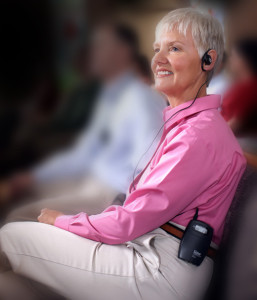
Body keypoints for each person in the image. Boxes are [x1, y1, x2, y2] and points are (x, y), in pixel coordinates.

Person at [0, 8, 246, 300]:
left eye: (175, 48)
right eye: (157, 49)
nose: (158, 60)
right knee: (15, 285)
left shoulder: (196, 135)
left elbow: (129, 221)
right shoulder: (187, 125)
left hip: (159, 270)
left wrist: (63, 221)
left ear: (208, 60)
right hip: (148, 250)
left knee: (11, 234)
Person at [0, 22, 166, 220]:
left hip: (113, 193)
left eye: (100, 45)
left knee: (16, 217)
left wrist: (121, 212)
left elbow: (151, 165)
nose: (92, 51)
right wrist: (33, 177)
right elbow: (83, 154)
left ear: (123, 51)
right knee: (21, 194)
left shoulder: (140, 98)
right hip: (93, 180)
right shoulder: (110, 97)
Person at [221, 38, 257, 168]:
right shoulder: (241, 86)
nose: (231, 60)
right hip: (234, 139)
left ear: (244, 60)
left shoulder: (250, 88)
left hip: (243, 144)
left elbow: (234, 125)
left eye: (234, 56)